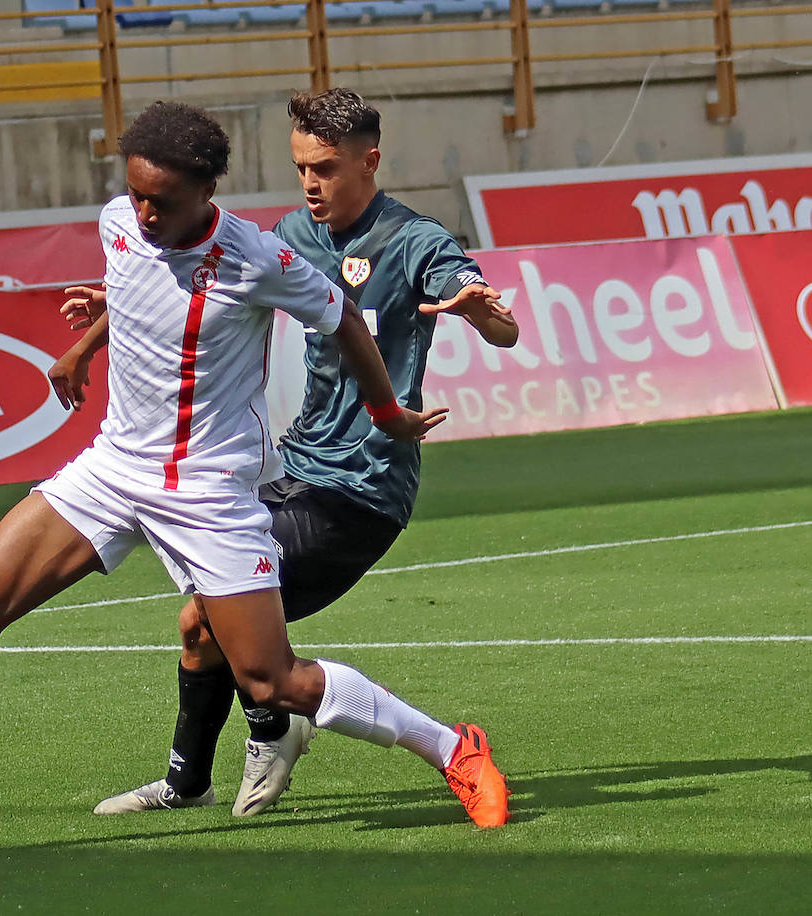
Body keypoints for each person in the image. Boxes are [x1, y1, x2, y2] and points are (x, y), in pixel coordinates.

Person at [0, 99, 471, 821]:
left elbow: (341, 316)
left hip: (207, 489)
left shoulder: (257, 258)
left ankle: (452, 748)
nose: (144, 213)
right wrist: (80, 350)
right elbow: (132, 288)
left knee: (273, 681)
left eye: (163, 201)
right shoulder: (119, 221)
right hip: (114, 469)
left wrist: (386, 411)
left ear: (206, 194)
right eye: (137, 194)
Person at [61, 89, 518, 826]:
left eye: (327, 169)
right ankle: (194, 778)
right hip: (295, 470)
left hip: (362, 488)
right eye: (302, 166)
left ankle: (305, 730)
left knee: (217, 627)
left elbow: (497, 323)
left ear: (369, 161)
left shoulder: (414, 240)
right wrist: (89, 336)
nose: (310, 184)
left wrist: (483, 310)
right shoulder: (290, 240)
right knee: (199, 624)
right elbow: (188, 283)